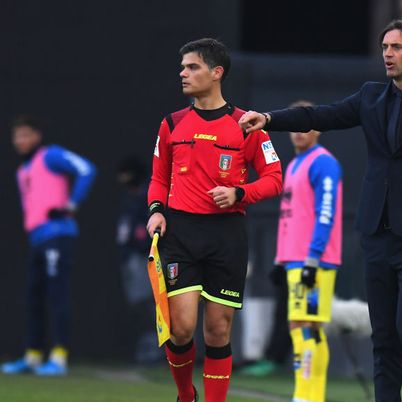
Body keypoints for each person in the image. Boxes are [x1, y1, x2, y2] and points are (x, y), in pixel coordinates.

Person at [239, 19, 402, 402]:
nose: (388, 55)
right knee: (384, 337)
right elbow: (322, 115)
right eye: (384, 48)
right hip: (377, 234)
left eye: (396, 48)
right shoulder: (370, 97)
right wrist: (271, 119)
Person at [146, 38, 282, 402]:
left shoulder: (247, 124)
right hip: (180, 232)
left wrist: (241, 193)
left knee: (218, 332)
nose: (183, 73)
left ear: (216, 72)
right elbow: (159, 177)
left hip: (226, 236)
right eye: (183, 67)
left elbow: (274, 178)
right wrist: (156, 210)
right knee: (181, 328)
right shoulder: (172, 123)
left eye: (192, 67)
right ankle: (185, 395)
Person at [2, 115, 96, 376]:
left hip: (58, 235)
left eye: (24, 135)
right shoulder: (22, 170)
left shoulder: (50, 156)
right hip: (37, 239)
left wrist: (71, 204)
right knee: (33, 297)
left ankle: (59, 356)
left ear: (36, 136)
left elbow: (86, 169)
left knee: (58, 295)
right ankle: (32, 356)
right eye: (16, 136)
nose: (19, 141)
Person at [272, 100, 342, 402]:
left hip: (312, 260)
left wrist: (313, 257)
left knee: (306, 325)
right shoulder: (295, 164)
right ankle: (310, 395)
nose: (300, 132)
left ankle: (307, 396)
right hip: (295, 260)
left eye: (307, 126)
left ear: (318, 130)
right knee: (301, 325)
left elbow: (326, 212)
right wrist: (281, 257)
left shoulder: (323, 163)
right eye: (295, 126)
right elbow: (292, 214)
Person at [116, 155, 160, 363]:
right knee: (140, 303)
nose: (124, 179)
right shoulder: (129, 198)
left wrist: (144, 245)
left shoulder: (149, 195)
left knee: (150, 302)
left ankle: (159, 348)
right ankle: (150, 346)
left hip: (146, 255)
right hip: (131, 257)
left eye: (127, 174)